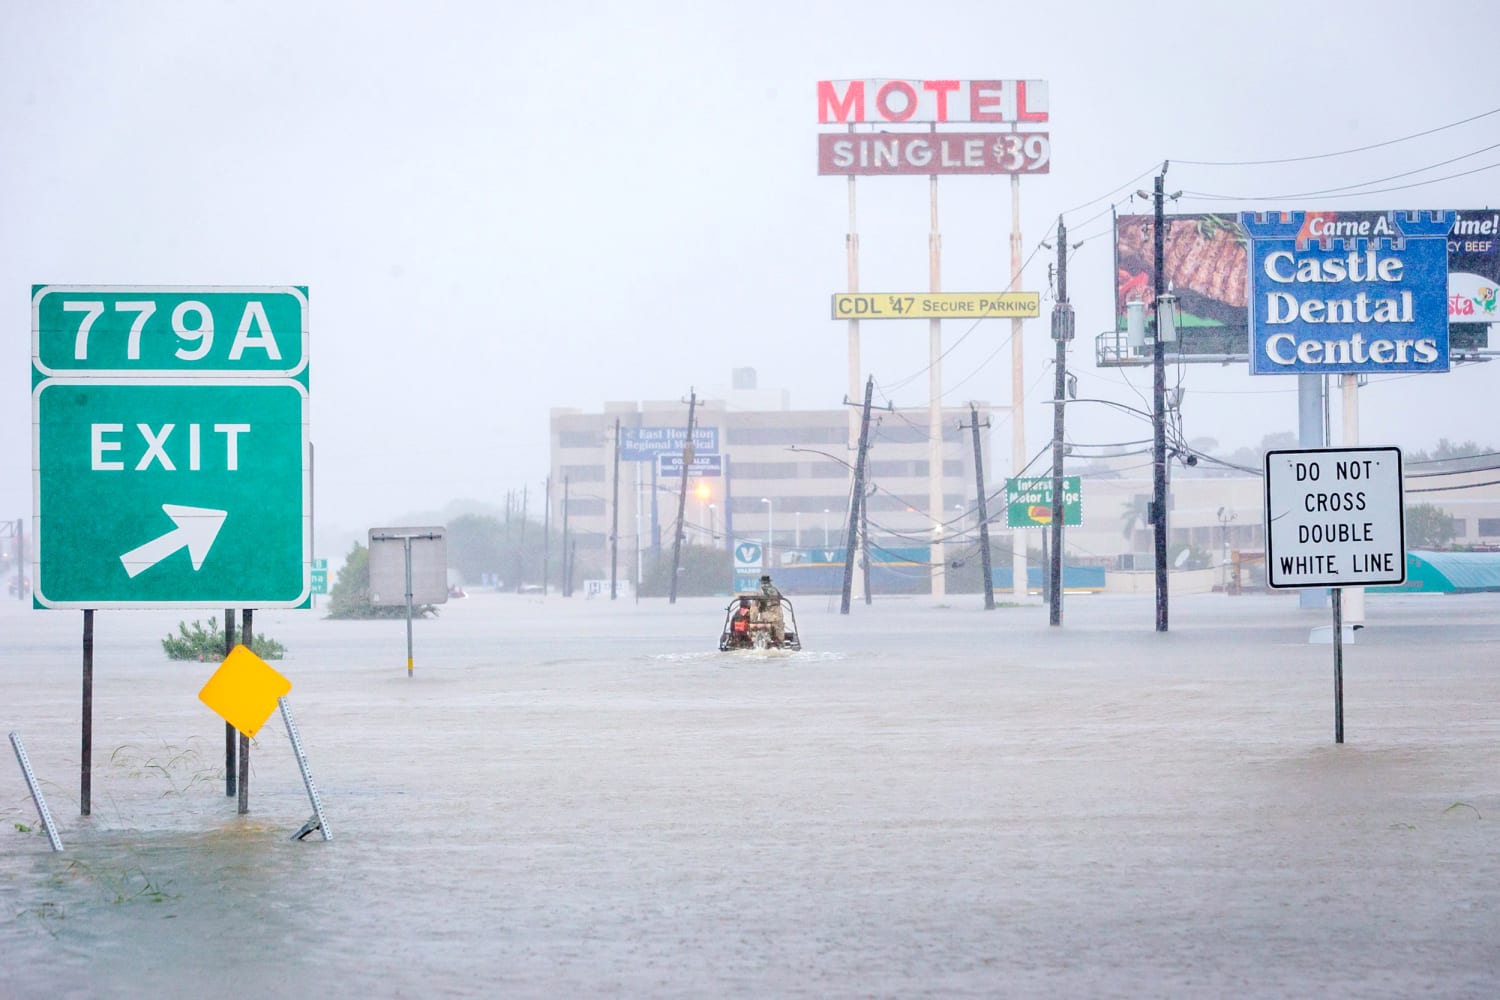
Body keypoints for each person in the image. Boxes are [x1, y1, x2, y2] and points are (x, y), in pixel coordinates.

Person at [758, 575, 785, 646]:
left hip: (767, 614)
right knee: (779, 629)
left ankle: (767, 643)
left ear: (761, 582)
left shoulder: (760, 591)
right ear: (769, 582)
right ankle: (780, 644)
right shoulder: (775, 590)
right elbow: (781, 598)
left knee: (764, 629)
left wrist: (752, 619)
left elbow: (754, 607)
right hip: (778, 613)